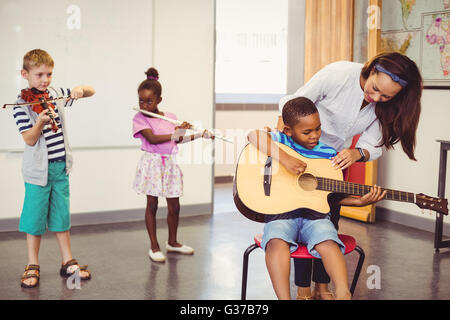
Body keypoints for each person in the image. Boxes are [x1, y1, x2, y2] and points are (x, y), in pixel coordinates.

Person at [277, 51, 423, 299]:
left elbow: (373, 143)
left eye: (385, 96)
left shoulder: (384, 105)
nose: (375, 97)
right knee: (302, 219)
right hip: (298, 154)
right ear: (373, 68)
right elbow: (293, 104)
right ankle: (302, 290)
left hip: (329, 161)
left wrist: (357, 153)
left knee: (329, 222)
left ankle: (322, 288)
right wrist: (284, 152)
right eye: (375, 88)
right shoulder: (339, 75)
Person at [248, 97, 386, 300]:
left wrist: (358, 202)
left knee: (328, 239)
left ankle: (343, 293)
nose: (314, 136)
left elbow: (331, 196)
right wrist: (286, 159)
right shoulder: (280, 141)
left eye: (318, 129)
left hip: (315, 217)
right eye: (307, 132)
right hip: (281, 215)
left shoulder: (328, 154)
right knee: (277, 240)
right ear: (288, 130)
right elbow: (253, 135)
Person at [13, 49, 95, 288]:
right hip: (37, 172)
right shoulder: (21, 104)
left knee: (61, 215)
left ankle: (67, 261)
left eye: (49, 74)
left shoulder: (55, 94)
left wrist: (80, 91)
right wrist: (39, 122)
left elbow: (91, 90)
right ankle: (32, 264)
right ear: (25, 74)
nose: (45, 80)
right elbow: (29, 139)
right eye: (39, 75)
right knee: (34, 219)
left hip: (60, 168)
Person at [132, 67, 214, 263]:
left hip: (169, 164)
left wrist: (196, 134)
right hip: (152, 164)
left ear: (159, 100)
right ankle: (154, 246)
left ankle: (173, 242)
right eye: (141, 100)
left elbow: (175, 141)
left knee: (175, 206)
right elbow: (153, 139)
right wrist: (175, 131)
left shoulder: (169, 115)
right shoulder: (139, 118)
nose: (144, 104)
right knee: (152, 204)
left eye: (149, 101)